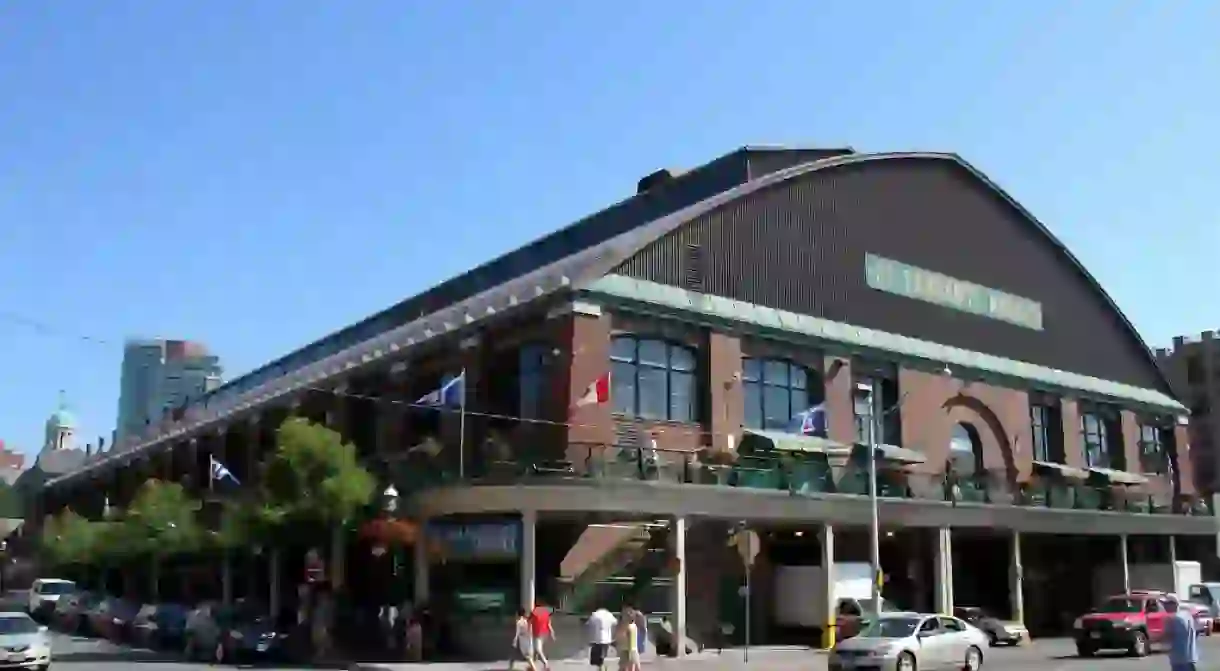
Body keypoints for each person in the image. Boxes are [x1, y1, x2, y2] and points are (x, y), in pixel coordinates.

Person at [1167, 596, 1199, 671]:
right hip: (1190, 657)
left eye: (1167, 604)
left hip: (1179, 659)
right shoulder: (1187, 616)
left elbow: (1169, 637)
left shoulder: (1175, 619)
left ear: (1174, 604)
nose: (1165, 606)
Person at [586, 606, 617, 671]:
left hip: (597, 640)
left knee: (598, 659)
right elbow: (615, 623)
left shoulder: (595, 615)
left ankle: (601, 669)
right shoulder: (609, 615)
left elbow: (588, 625)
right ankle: (603, 668)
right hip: (607, 640)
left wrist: (589, 639)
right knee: (603, 657)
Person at [528, 601, 555, 670]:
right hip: (544, 634)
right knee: (536, 650)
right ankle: (532, 666)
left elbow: (529, 622)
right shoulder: (545, 613)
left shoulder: (534, 612)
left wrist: (528, 631)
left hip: (538, 634)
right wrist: (552, 633)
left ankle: (546, 664)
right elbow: (549, 625)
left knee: (538, 649)